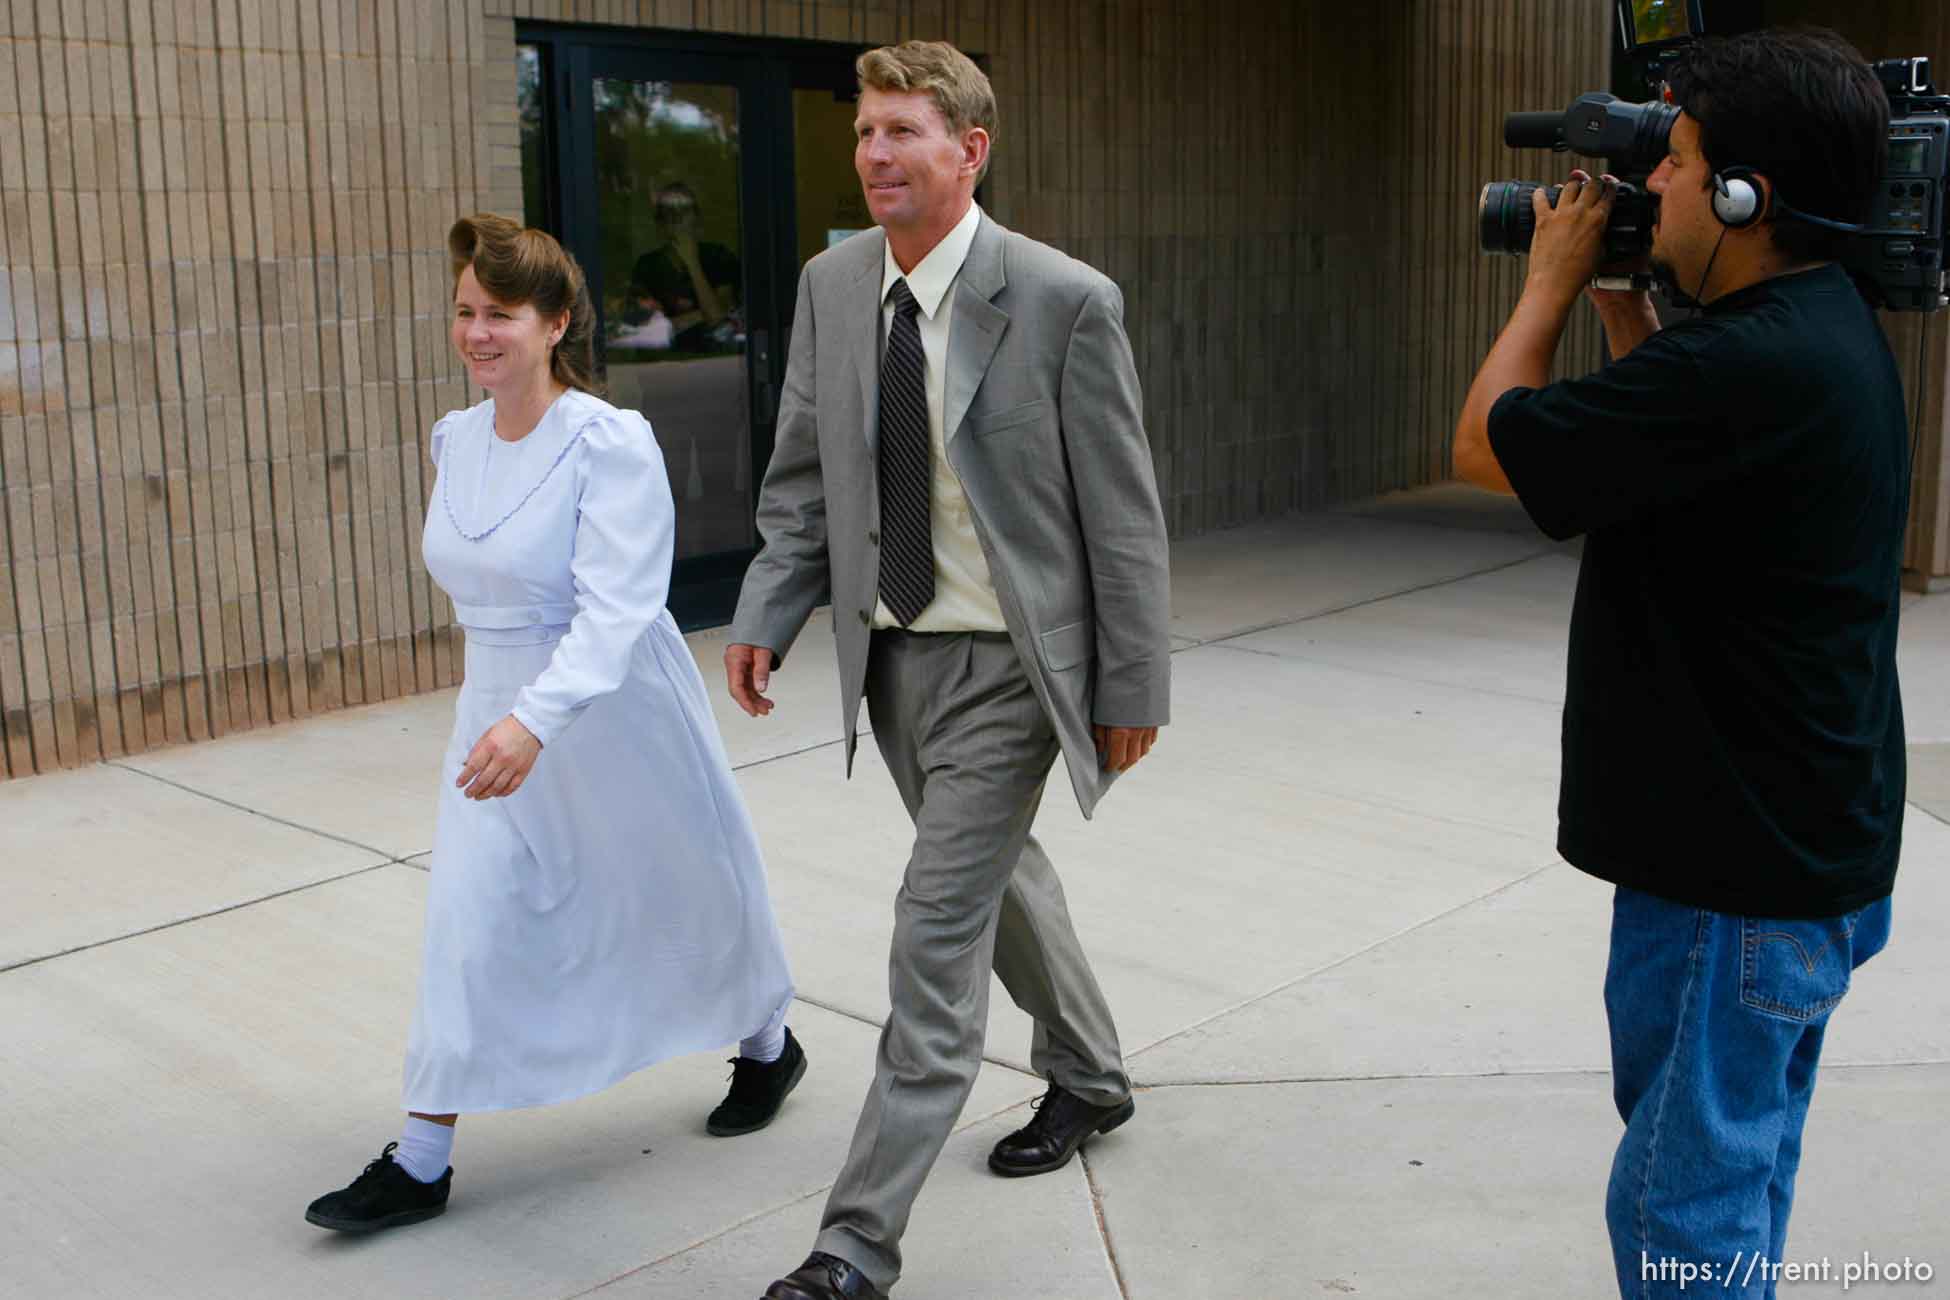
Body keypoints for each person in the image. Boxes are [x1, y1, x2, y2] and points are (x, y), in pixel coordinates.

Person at [1451, 28, 1905, 1298]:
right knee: (1740, 1178)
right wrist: (1624, 300)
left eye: (1678, 162)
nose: (1649, 185)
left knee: (1680, 1216)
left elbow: (1493, 444)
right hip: (1795, 854)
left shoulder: (1749, 360)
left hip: (1731, 881)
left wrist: (1546, 282)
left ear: (1746, 195)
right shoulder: (1813, 329)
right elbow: (1678, 451)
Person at [725, 39, 1170, 1300]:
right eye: (866, 131)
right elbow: (804, 472)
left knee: (933, 929)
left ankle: (853, 1248)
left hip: (1016, 669)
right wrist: (772, 608)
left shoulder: (1062, 298)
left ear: (969, 150)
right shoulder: (831, 285)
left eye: (902, 131)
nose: (875, 153)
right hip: (894, 660)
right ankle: (1089, 1072)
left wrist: (1132, 684)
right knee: (995, 879)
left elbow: (1124, 518)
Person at [304, 214, 803, 1235]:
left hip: (611, 703)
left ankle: (767, 1042)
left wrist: (538, 719)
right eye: (464, 312)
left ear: (557, 320)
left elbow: (619, 602)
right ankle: (422, 1156)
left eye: (501, 314)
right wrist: (507, 713)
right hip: (494, 701)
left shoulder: (609, 440)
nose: (477, 332)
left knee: (677, 887)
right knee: (470, 915)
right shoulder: (456, 438)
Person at [628, 182, 742, 353]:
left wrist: (692, 263)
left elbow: (720, 319)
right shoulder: (647, 266)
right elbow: (649, 327)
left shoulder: (719, 256)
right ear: (660, 225)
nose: (677, 219)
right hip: (664, 362)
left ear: (696, 218)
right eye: (669, 213)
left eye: (684, 211)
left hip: (720, 359)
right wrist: (704, 313)